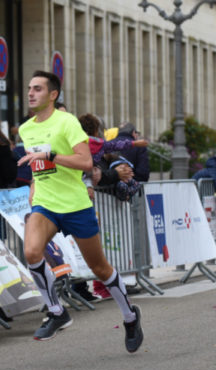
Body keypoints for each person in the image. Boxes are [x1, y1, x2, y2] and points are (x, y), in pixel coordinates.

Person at [17, 70, 143, 352]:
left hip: (76, 205)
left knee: (100, 268)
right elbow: (40, 168)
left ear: (53, 95)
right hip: (46, 204)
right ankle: (57, 311)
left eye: (37, 89)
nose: (30, 93)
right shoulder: (26, 129)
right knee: (31, 252)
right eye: (29, 88)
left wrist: (50, 156)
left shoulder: (67, 123)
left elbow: (86, 162)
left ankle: (130, 316)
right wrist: (34, 188)